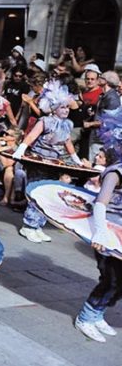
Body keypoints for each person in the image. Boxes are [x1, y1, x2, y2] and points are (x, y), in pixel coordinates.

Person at [13, 80, 90, 243]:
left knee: (46, 195)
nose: (66, 110)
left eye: (68, 107)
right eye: (63, 107)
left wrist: (76, 160)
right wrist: (20, 150)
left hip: (54, 163)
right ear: (54, 108)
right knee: (36, 192)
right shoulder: (45, 121)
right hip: (39, 160)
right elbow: (32, 136)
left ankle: (38, 225)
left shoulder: (67, 125)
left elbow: (68, 144)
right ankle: (28, 226)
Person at [73, 109, 122, 342]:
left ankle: (98, 313)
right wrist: (101, 233)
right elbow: (100, 204)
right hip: (108, 231)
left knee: (120, 282)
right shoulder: (116, 172)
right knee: (112, 278)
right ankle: (87, 316)